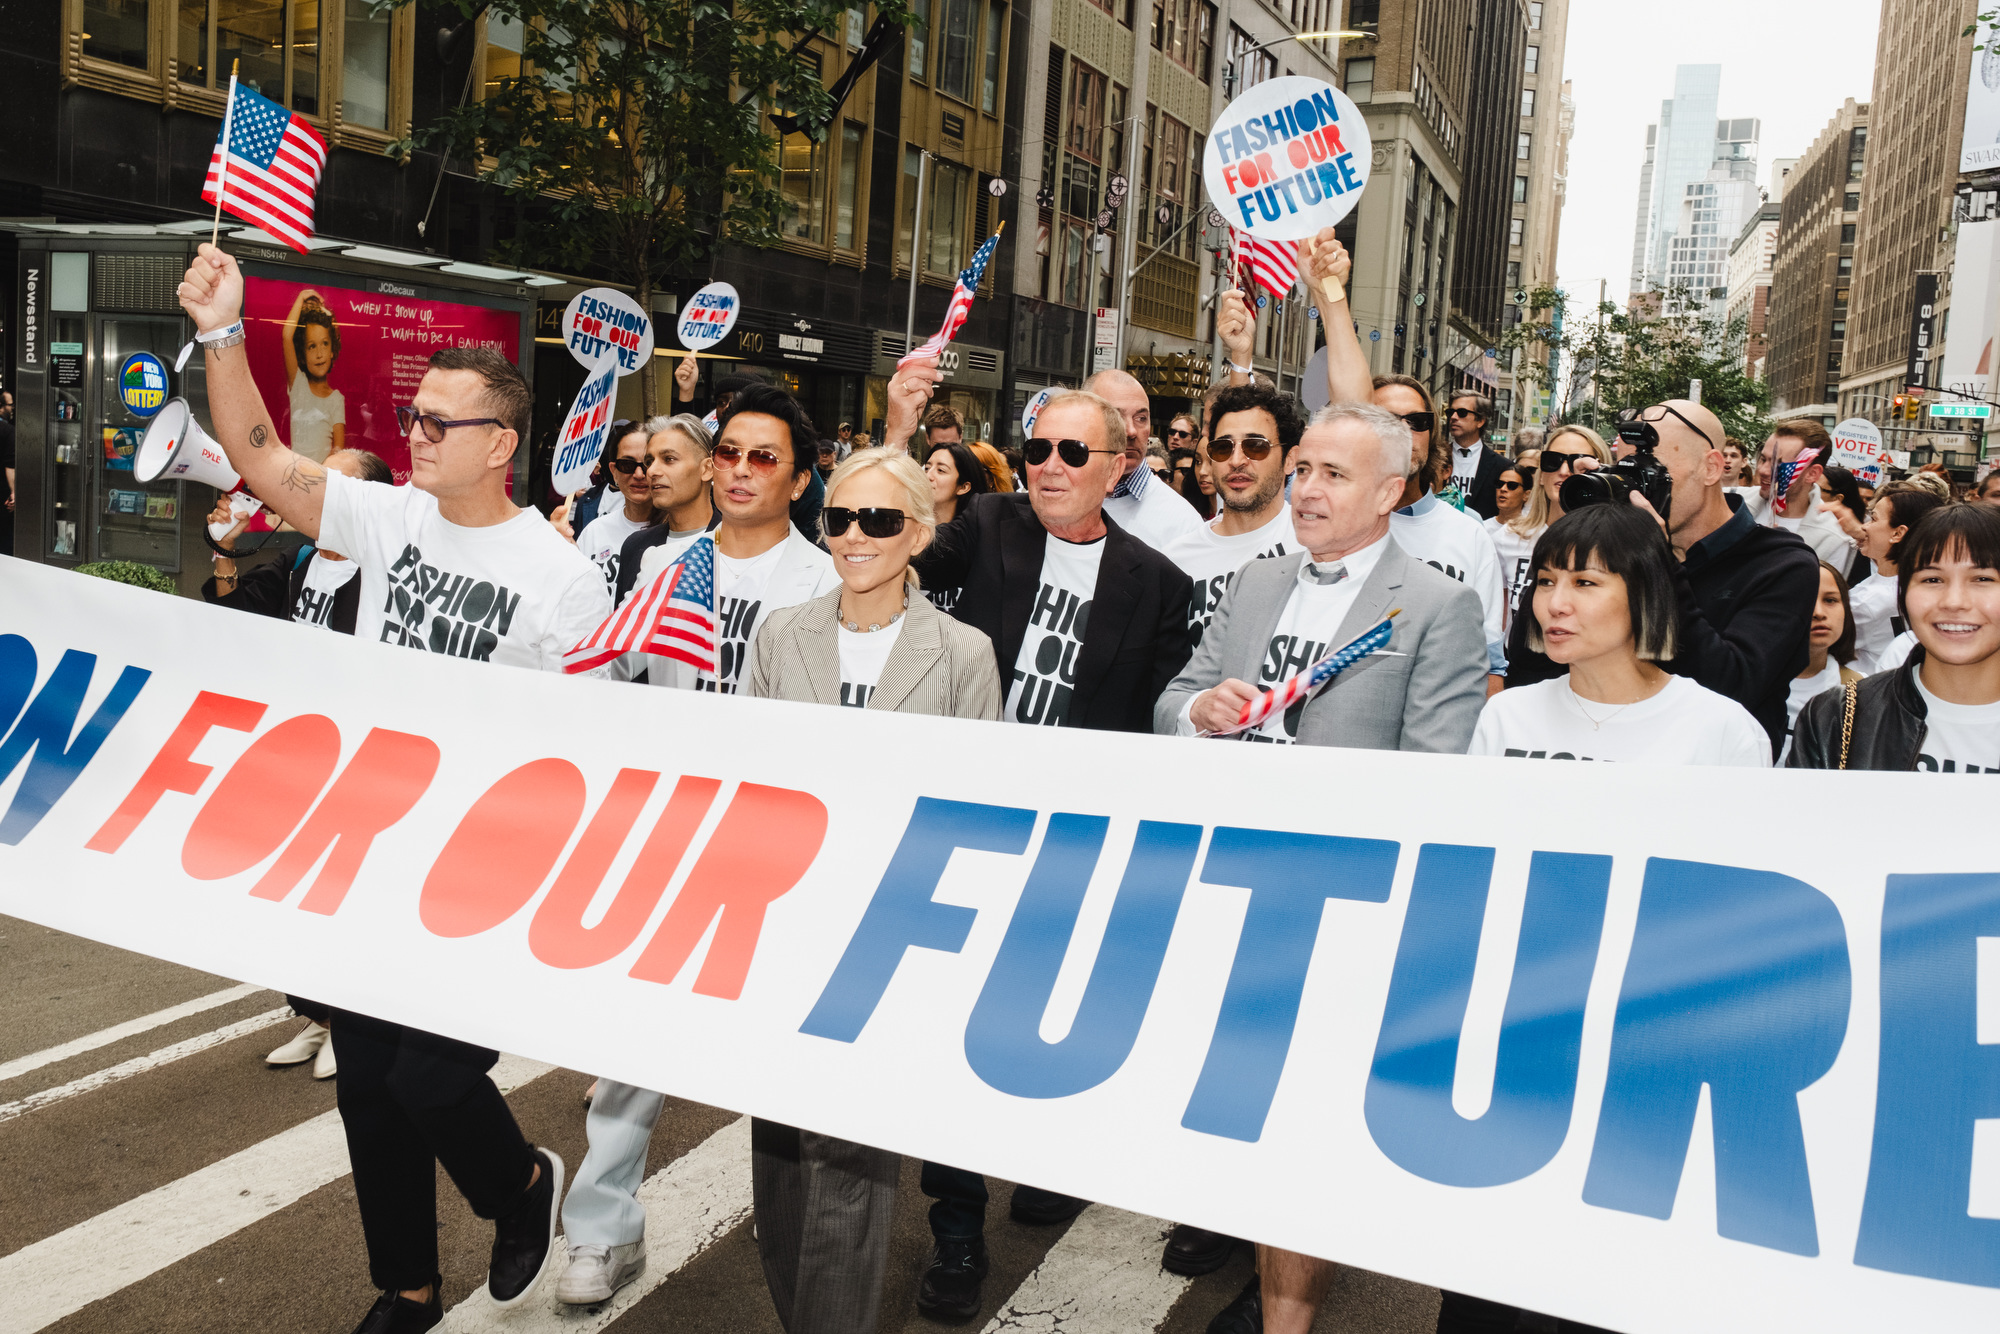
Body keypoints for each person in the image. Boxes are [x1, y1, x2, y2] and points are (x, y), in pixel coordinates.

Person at [178, 240, 581, 1328]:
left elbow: (600, 745)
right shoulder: (386, 516)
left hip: (485, 860)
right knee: (366, 1085)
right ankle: (403, 1284)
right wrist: (224, 329)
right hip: (369, 843)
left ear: (500, 442)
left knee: (430, 1078)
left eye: (439, 423)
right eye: (415, 416)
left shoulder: (563, 580)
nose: (413, 434)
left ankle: (522, 1186)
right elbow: (261, 457)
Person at [1157, 403, 1487, 1334]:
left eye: (1332, 474)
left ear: (1391, 491)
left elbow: (1436, 779)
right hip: (1230, 881)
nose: (1304, 487)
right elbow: (1172, 700)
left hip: (1340, 902)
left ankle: (1284, 1318)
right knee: (1243, 1103)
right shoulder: (1256, 584)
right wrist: (1198, 714)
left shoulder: (1435, 604)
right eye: (1301, 468)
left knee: (1304, 1125)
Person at [897, 390, 1190, 1321]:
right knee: (948, 1028)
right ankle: (956, 1230)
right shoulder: (985, 524)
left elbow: (1152, 727)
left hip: (1077, 841)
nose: (1050, 465)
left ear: (1116, 466)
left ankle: (1047, 1154)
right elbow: (892, 539)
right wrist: (901, 429)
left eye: (1073, 451)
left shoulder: (1159, 582)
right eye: (1037, 448)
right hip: (963, 820)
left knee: (1041, 1020)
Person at [555, 384, 839, 1308]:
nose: (742, 471)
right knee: (631, 1045)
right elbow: (606, 670)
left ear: (798, 479)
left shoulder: (828, 577)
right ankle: (601, 1232)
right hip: (671, 828)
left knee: (792, 1060)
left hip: (784, 839)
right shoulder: (667, 565)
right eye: (730, 455)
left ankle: (815, 1253)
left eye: (765, 458)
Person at [744, 448, 1001, 1333]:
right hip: (787, 916)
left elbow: (980, 808)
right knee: (778, 1152)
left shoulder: (963, 652)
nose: (854, 537)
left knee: (850, 1158)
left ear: (920, 534)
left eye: (880, 521)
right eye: (839, 520)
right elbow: (749, 776)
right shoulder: (781, 634)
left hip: (893, 931)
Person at [204, 446, 396, 1086]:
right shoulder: (297, 561)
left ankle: (353, 1023)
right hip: (295, 760)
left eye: (330, 483)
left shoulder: (388, 578)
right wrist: (227, 554)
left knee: (339, 899)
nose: (310, 489)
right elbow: (231, 626)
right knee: (287, 901)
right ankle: (317, 1013)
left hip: (358, 766)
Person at [1505, 400, 1820, 759]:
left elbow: (1732, 686)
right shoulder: (1613, 554)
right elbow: (1530, 659)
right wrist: (1581, 537)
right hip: (1585, 755)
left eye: (1649, 474)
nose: (1632, 490)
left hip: (1707, 778)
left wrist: (1657, 557)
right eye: (1624, 474)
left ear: (1711, 468)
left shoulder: (1781, 563)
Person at [1470, 504, 1770, 766]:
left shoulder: (1723, 728)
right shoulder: (1506, 715)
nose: (1556, 604)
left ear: (1645, 595)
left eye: (1585, 583)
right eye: (1546, 581)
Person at [1791, 503, 2000, 772]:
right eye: (1932, 580)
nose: (1954, 602)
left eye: (1982, 579)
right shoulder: (1837, 715)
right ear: (1903, 593)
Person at [1369, 374, 1508, 692]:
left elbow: (1490, 662)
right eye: (1387, 420)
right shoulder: (1333, 529)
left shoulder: (1470, 535)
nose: (1404, 431)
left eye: (1418, 421)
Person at [1158, 383, 1303, 650]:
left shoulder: (1315, 549)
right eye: (1223, 448)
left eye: (1256, 446)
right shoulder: (1175, 560)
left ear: (1290, 459)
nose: (1237, 460)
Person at [1488, 426, 1614, 634]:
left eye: (1578, 462)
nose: (1564, 471)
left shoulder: (1613, 544)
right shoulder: (1508, 537)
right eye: (1552, 461)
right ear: (1540, 475)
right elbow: (1497, 618)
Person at [1080, 368, 1209, 550]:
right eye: (1115, 417)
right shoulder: (1055, 500)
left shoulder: (1182, 522)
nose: (1131, 431)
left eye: (1141, 418)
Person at [611, 414, 718, 607]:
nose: (651, 472)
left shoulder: (733, 546)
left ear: (707, 469)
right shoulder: (635, 546)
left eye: (669, 459)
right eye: (650, 461)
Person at [1848, 481, 1948, 674]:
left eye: (1874, 519)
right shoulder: (1929, 587)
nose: (1865, 527)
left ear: (1898, 533)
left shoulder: (1869, 601)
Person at [1781, 562, 1863, 762]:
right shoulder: (1747, 687)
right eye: (1805, 599)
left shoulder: (1862, 692)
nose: (1818, 612)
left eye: (1830, 600)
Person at [1745, 419, 1854, 568]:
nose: (1763, 470)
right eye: (1763, 459)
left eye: (1778, 464)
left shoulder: (1833, 538)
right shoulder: (1733, 502)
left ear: (1812, 474)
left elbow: (1820, 590)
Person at [573, 422, 657, 595]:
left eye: (647, 463)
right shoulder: (594, 533)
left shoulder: (678, 535)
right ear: (614, 471)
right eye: (627, 465)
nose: (639, 475)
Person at [282, 287, 346, 463]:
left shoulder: (336, 399)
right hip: (294, 473)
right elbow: (287, 336)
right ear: (303, 353)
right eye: (312, 346)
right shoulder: (298, 385)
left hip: (320, 477)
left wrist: (321, 475)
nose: (319, 354)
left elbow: (339, 449)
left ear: (332, 350)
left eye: (325, 344)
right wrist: (301, 297)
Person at [1444, 391, 1509, 519]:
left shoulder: (1501, 467)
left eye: (1462, 413)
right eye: (1450, 412)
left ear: (1480, 421)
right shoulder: (1434, 459)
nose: (1453, 417)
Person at [924, 439, 990, 528]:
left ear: (963, 487)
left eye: (940, 470)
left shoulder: (972, 535)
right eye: (927, 468)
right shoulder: (910, 528)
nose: (928, 475)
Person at [1490, 461, 1529, 526]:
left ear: (1526, 494)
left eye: (1512, 485)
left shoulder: (1534, 532)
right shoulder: (1481, 528)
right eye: (1500, 484)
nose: (1503, 489)